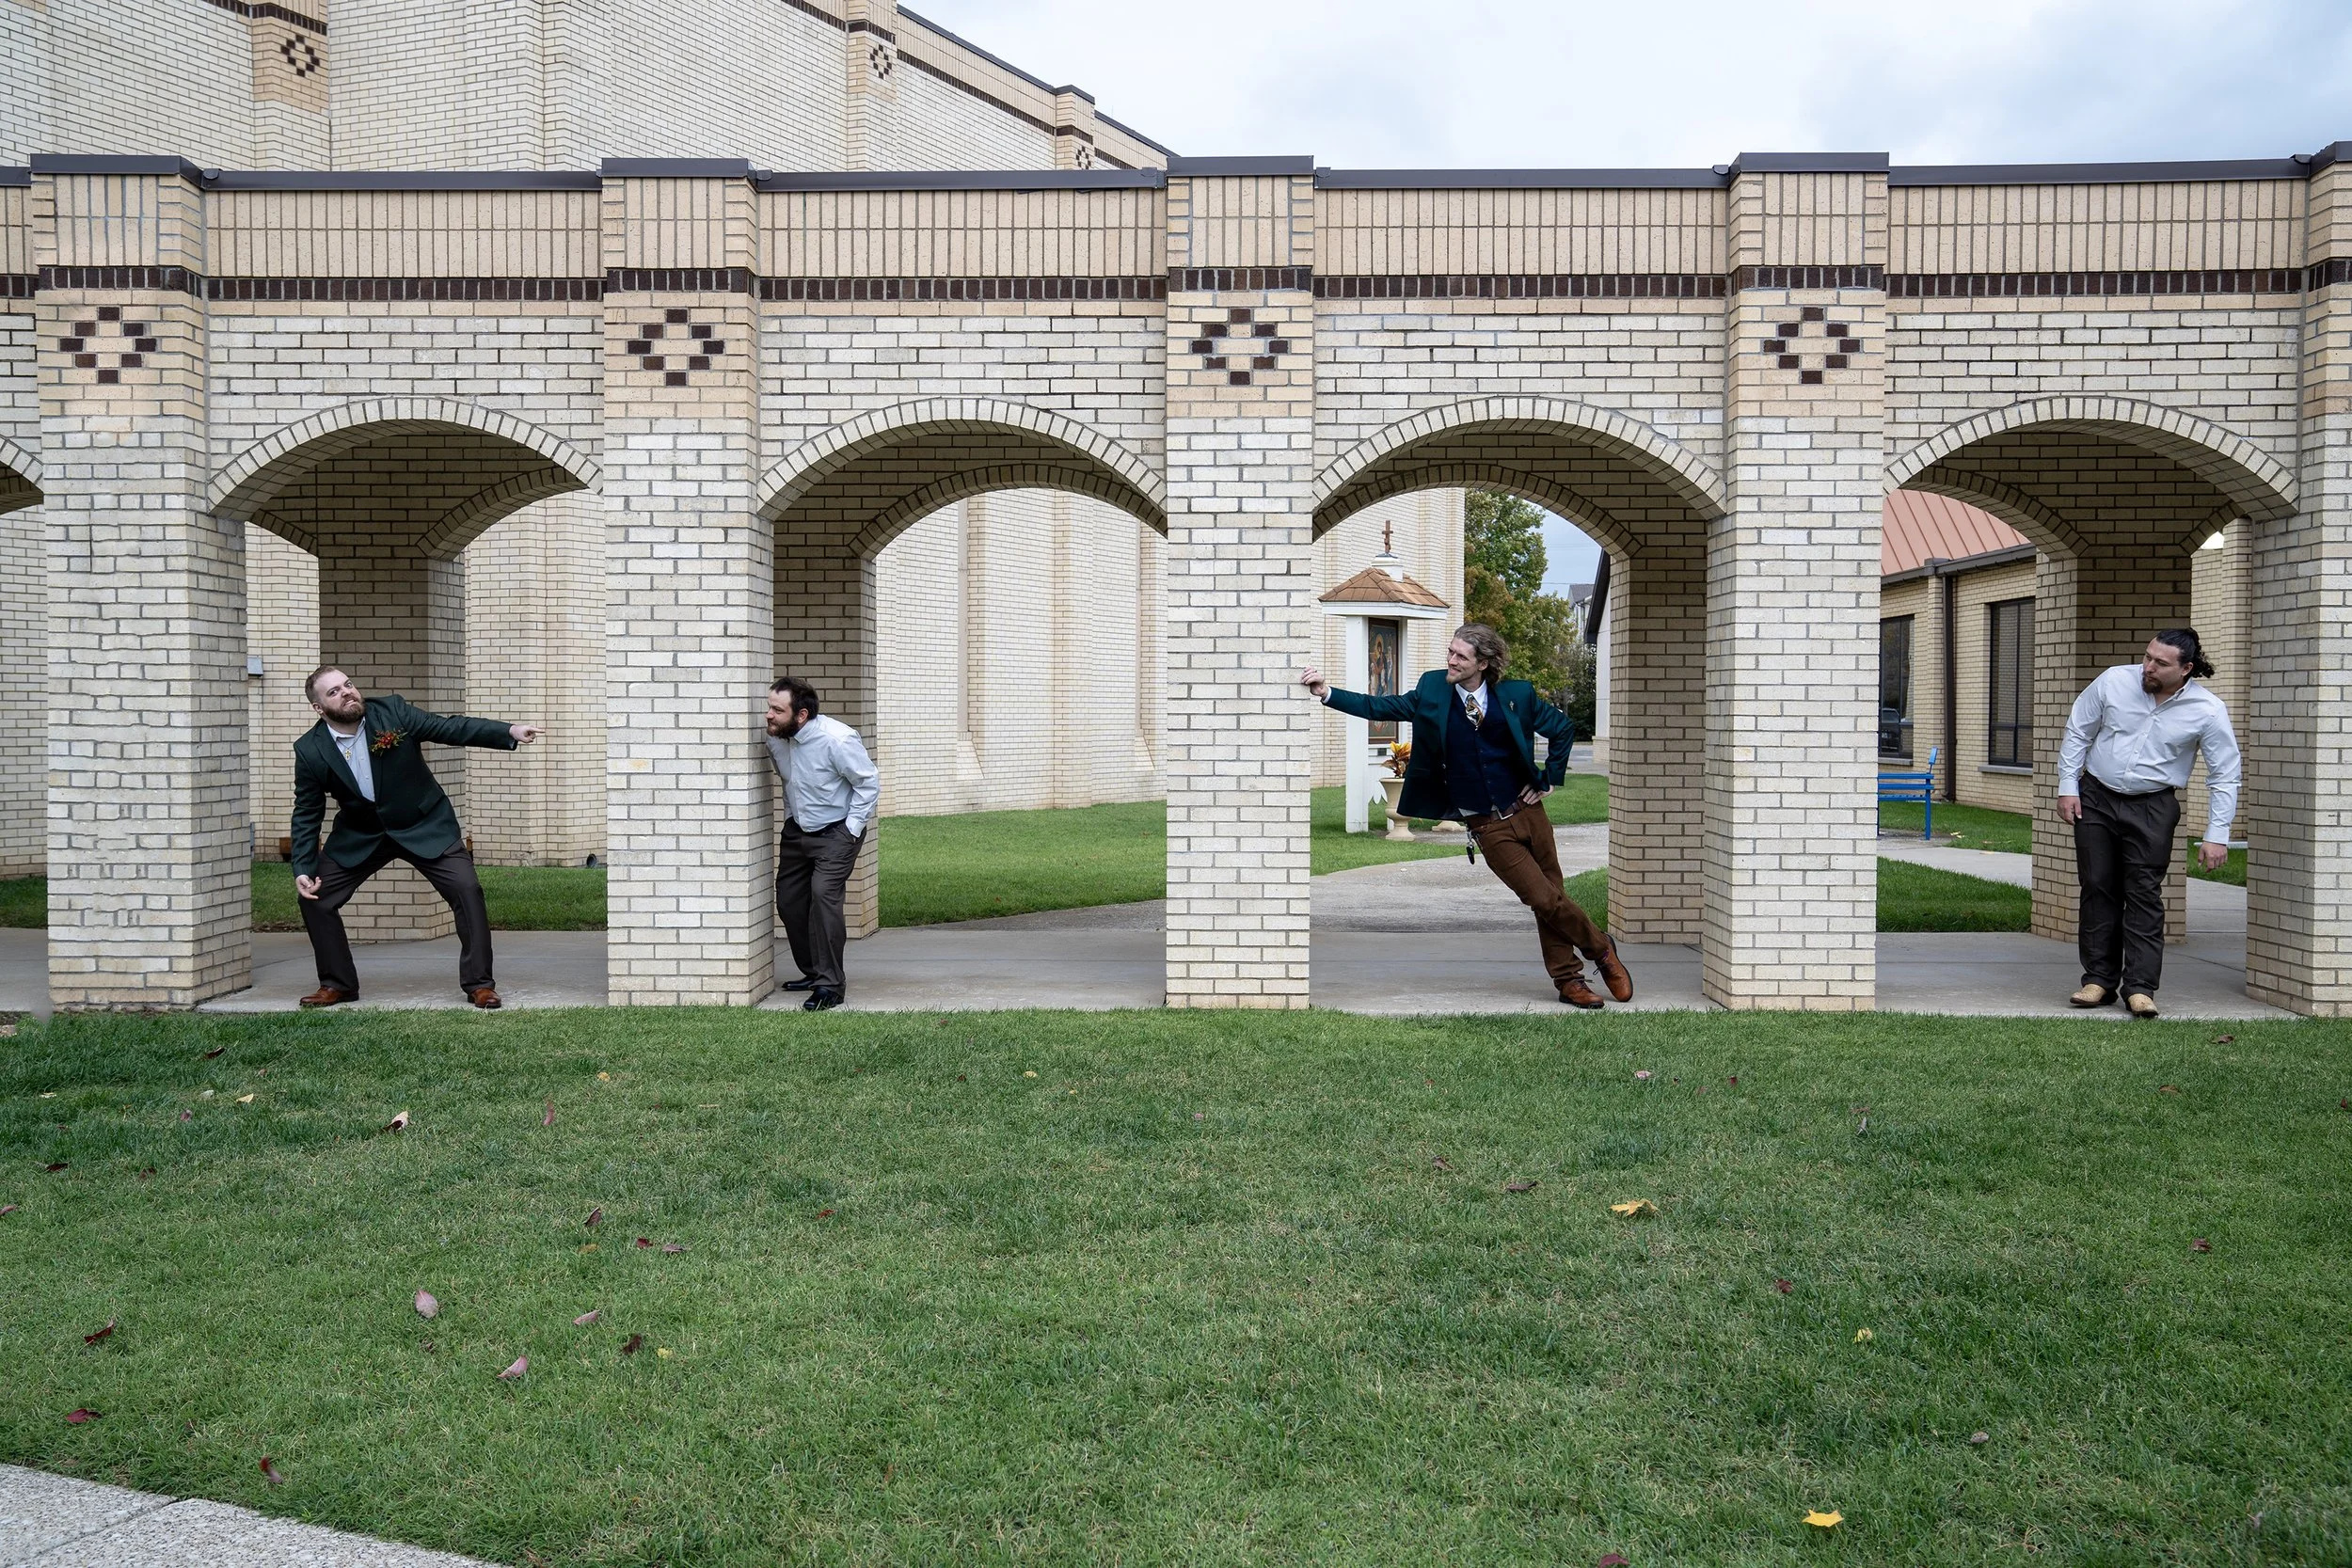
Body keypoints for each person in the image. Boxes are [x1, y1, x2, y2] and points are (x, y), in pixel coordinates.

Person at [1300, 623, 1633, 1009]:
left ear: (1484, 663)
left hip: (1528, 812)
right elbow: (1380, 705)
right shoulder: (1432, 692)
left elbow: (1561, 729)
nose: (1451, 660)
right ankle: (1601, 949)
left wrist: (1548, 778)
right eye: (1450, 652)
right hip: (1487, 825)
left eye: (1460, 655)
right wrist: (1326, 693)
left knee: (1552, 900)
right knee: (1542, 897)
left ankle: (1569, 981)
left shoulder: (1517, 695)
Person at [290, 668, 543, 1009]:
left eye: (348, 684)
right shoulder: (310, 749)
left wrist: (508, 731)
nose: (347, 692)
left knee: (467, 890)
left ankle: (479, 984)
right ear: (319, 708)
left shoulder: (392, 712)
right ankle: (338, 984)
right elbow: (307, 812)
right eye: (334, 692)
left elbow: (449, 727)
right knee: (315, 898)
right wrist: (303, 868)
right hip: (362, 833)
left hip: (424, 824)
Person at [2057, 628, 2240, 1020]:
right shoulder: (2113, 681)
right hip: (2097, 797)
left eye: (2160, 663)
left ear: (2186, 669)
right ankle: (2098, 981)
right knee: (2097, 886)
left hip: (2154, 806)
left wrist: (2216, 835)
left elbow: (2224, 774)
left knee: (2143, 893)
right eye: (2147, 656)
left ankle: (2139, 988)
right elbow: (2077, 732)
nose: (2148, 666)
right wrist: (2068, 786)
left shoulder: (2208, 711)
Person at [765, 676, 880, 1012]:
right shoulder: (777, 739)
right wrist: (791, 817)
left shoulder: (837, 739)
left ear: (800, 715)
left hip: (836, 833)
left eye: (776, 709)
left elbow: (868, 783)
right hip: (797, 831)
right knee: (788, 901)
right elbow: (791, 783)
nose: (768, 715)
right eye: (769, 707)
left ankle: (830, 985)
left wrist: (851, 829)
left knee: (823, 897)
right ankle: (814, 972)